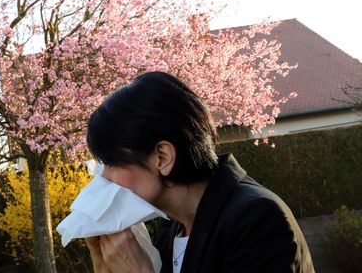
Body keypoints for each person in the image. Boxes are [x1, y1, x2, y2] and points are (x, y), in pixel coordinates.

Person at [84, 71, 314, 273]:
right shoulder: (171, 228)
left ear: (162, 157)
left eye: (113, 163)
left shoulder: (255, 218)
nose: (104, 178)